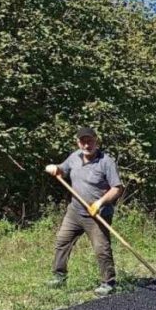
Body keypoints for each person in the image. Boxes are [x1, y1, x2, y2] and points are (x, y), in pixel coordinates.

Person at [44, 127, 124, 297]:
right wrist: (54, 168)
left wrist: (100, 203)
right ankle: (59, 276)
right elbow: (61, 170)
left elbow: (117, 188)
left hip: (97, 215)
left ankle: (108, 282)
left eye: (90, 141)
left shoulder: (106, 162)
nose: (87, 145)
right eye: (83, 142)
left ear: (96, 141)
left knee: (102, 249)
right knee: (62, 241)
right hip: (75, 211)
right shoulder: (74, 157)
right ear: (78, 142)